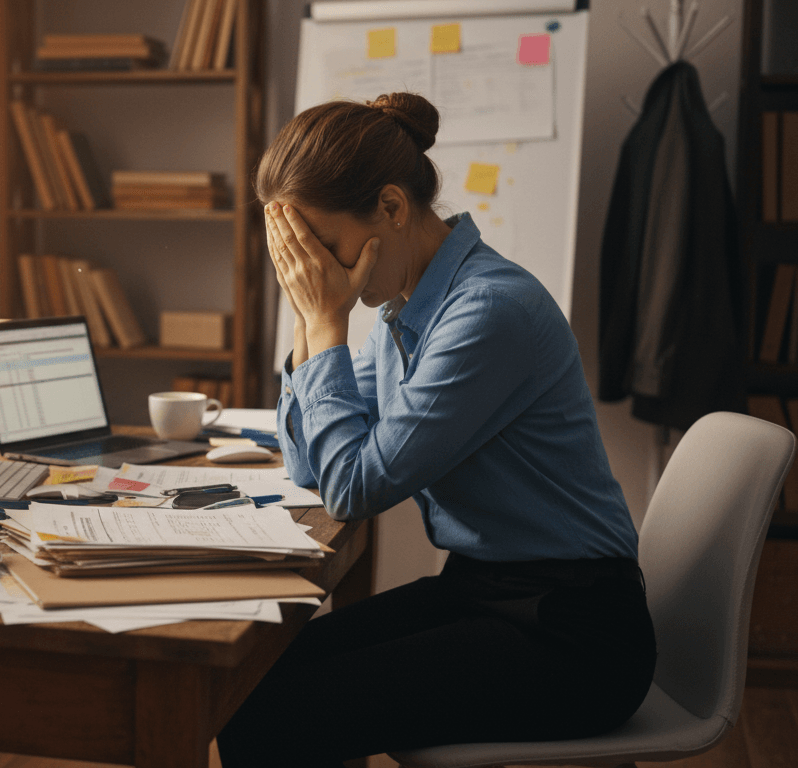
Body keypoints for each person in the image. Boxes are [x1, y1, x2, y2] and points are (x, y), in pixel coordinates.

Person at [216, 94, 656, 767]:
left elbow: (351, 487)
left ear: (391, 208)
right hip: (482, 591)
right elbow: (315, 463)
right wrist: (309, 325)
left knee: (271, 714)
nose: (320, 274)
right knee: (249, 673)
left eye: (324, 249)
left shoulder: (486, 312)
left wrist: (325, 321)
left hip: (574, 632)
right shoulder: (409, 309)